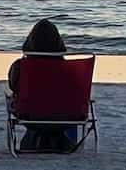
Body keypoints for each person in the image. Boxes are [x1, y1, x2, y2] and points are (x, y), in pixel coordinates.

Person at [8, 20, 80, 152]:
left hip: (30, 116)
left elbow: (13, 87)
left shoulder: (20, 66)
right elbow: (77, 90)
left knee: (12, 97)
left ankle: (34, 138)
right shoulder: (70, 69)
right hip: (66, 117)